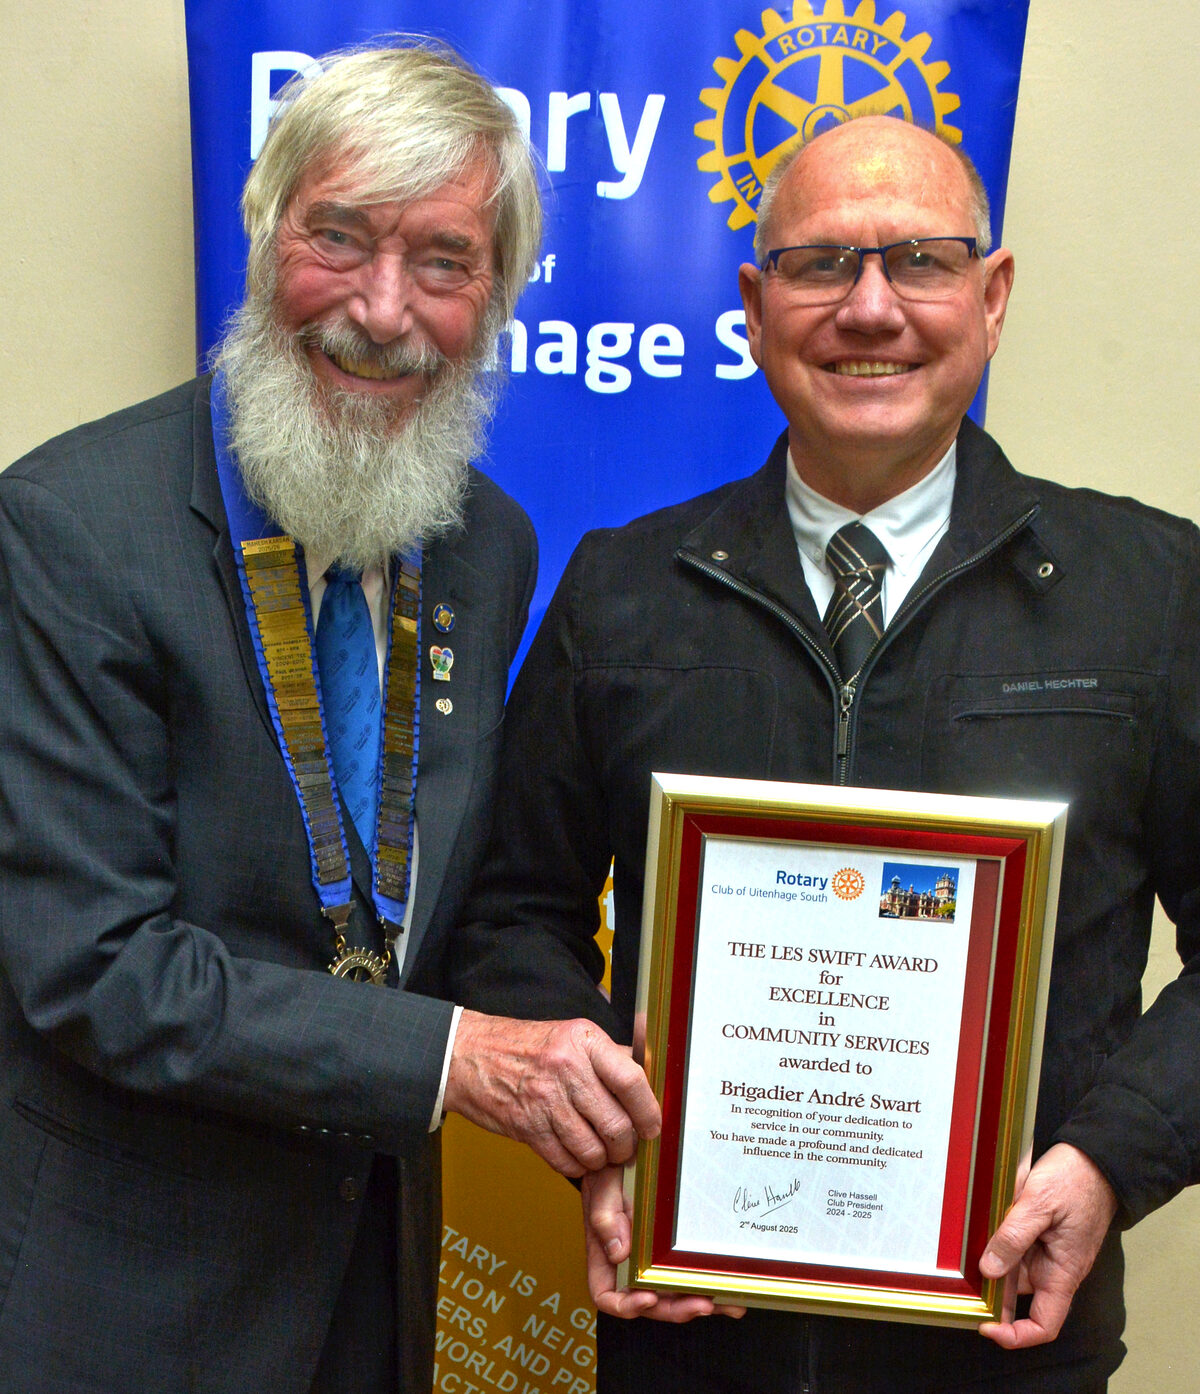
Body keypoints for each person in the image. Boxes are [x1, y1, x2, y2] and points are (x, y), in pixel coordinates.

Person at [451, 114, 1200, 1392]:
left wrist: (1110, 1160)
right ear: (755, 304)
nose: (870, 308)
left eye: (919, 260)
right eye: (820, 266)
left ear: (993, 292)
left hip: (1006, 1349)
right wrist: (600, 1125)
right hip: (686, 1344)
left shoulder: (1153, 591)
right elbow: (510, 907)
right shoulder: (621, 588)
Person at [0, 40, 656, 1394]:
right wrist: (458, 1058)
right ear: (261, 229)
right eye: (338, 237)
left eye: (442, 262)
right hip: (131, 1297)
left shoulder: (489, 543)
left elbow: (458, 903)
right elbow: (99, 964)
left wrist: (614, 1092)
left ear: (498, 294)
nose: (379, 307)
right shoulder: (72, 528)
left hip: (373, 1275)